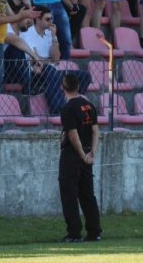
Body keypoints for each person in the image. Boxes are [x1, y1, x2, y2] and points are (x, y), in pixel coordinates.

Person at [58, 73, 101, 243]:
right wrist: (91, 153)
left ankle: (74, 233)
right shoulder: (89, 105)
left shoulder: (68, 108)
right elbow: (95, 131)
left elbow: (73, 134)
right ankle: (94, 232)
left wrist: (82, 155)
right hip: (87, 155)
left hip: (72, 156)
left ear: (63, 87)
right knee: (87, 195)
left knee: (69, 194)